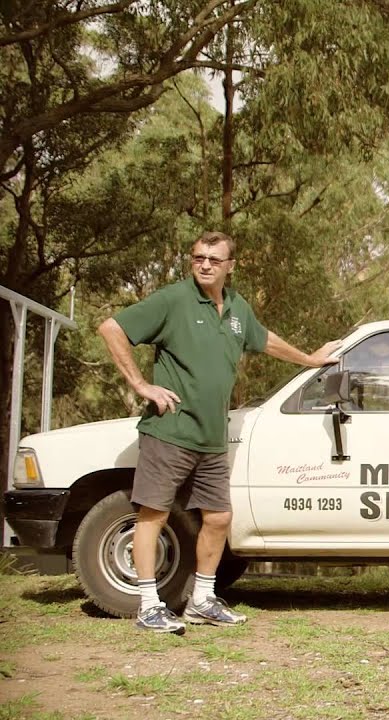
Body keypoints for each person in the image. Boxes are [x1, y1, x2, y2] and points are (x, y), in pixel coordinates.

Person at [98, 231, 340, 634]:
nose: (205, 264)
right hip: (170, 430)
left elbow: (266, 341)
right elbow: (111, 328)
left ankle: (202, 600)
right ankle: (148, 605)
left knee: (219, 518)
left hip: (211, 436)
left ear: (230, 266)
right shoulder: (173, 300)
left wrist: (310, 360)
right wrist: (142, 385)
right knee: (154, 514)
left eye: (214, 259)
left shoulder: (236, 308)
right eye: (198, 257)